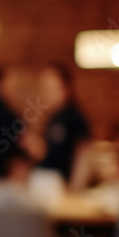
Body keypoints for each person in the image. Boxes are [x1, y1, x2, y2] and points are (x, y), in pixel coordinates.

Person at [37, 62, 92, 190]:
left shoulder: (73, 116)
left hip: (64, 188)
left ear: (65, 88)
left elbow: (84, 153)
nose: (46, 95)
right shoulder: (53, 118)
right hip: (49, 184)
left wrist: (75, 187)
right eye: (44, 90)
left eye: (50, 89)